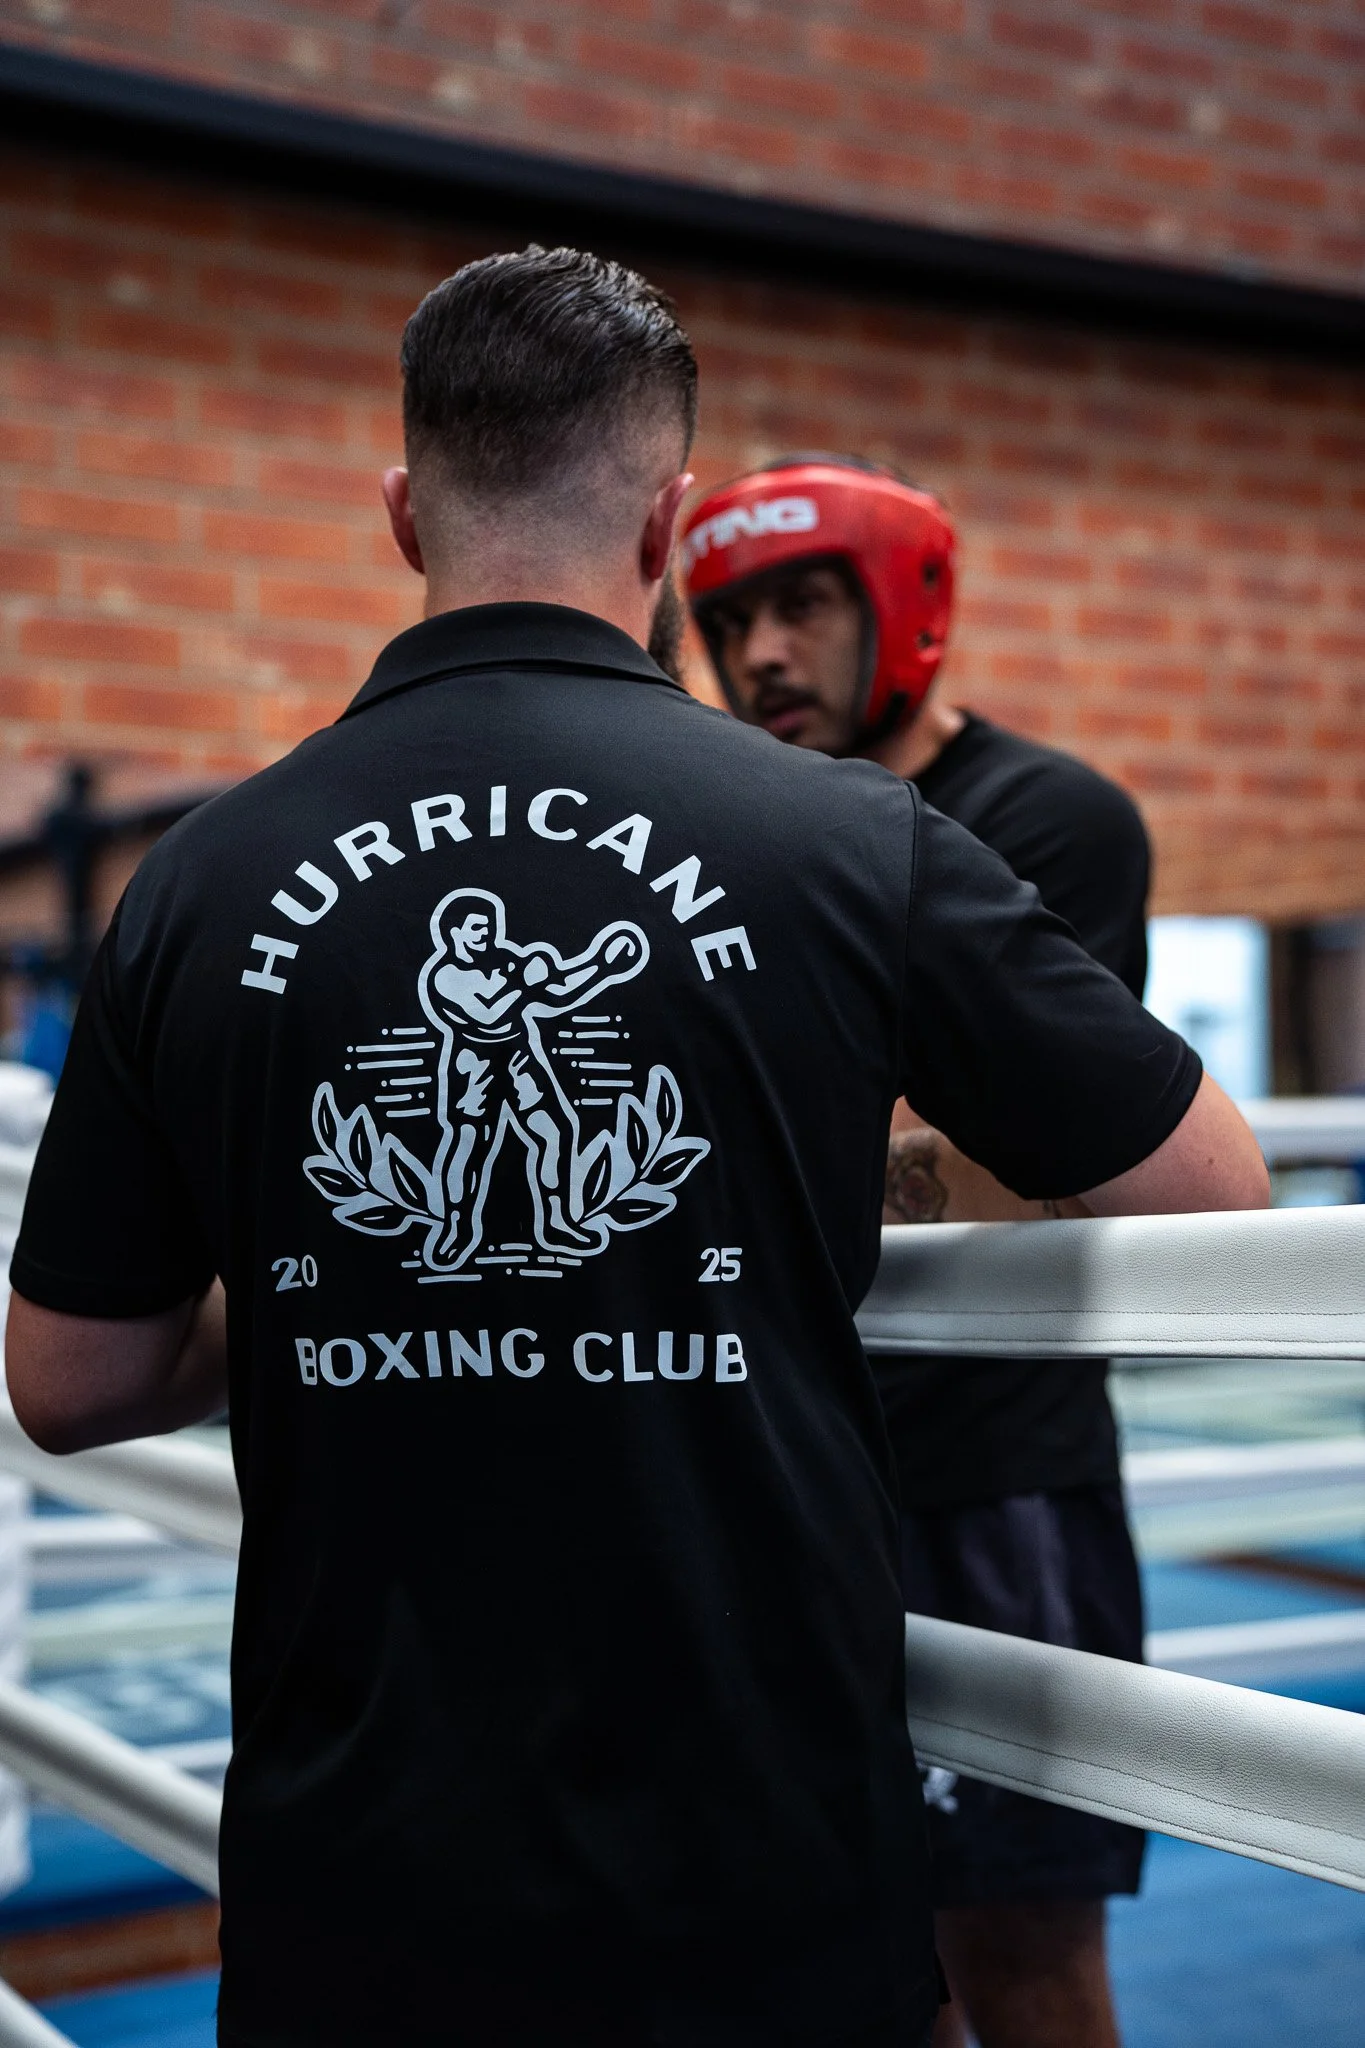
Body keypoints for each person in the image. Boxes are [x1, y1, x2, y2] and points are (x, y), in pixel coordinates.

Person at [5, 250, 1267, 2048]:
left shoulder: (199, 882)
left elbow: (63, 1376)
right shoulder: (858, 843)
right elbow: (1219, 1194)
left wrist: (329, 1274)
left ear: (398, 511)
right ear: (671, 525)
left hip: (355, 1883)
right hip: (762, 1876)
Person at [682, 455, 1165, 2048]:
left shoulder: (1046, 819)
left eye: (803, 604)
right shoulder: (743, 835)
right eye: (730, 614)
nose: (759, 654)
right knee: (858, 1979)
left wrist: (745, 1156)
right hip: (791, 1485)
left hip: (992, 1484)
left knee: (1020, 1960)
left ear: (902, 610)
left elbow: (1027, 1160)